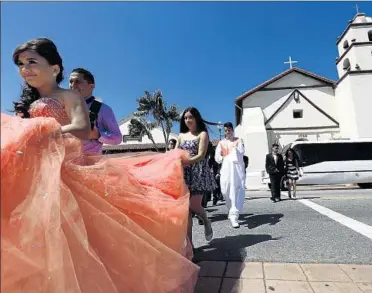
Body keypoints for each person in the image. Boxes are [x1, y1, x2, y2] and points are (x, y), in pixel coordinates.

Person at [3, 38, 198, 293]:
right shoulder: (27, 103)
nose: (24, 68)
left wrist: (47, 128)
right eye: (20, 64)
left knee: (85, 231)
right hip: (35, 174)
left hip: (72, 166)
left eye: (31, 62)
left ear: (54, 68)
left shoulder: (72, 98)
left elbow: (84, 130)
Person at [176, 107, 216, 247]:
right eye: (185, 118)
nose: (187, 120)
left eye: (190, 117)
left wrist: (186, 162)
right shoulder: (181, 136)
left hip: (198, 173)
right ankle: (190, 247)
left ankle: (206, 220)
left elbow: (201, 155)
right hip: (183, 174)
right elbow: (175, 153)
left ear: (196, 118)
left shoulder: (202, 134)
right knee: (186, 212)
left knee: (194, 206)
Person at [69, 68, 122, 154]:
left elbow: (117, 138)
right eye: (71, 81)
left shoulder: (103, 109)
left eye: (78, 81)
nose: (73, 85)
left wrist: (98, 135)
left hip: (91, 164)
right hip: (65, 163)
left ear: (91, 86)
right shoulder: (62, 107)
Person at [215, 122, 246, 228]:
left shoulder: (238, 140)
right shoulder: (221, 143)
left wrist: (236, 149)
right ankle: (230, 209)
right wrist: (222, 157)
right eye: (226, 130)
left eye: (229, 130)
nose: (228, 132)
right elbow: (217, 157)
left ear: (232, 130)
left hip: (236, 170)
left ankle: (234, 216)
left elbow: (241, 152)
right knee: (225, 190)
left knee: (235, 191)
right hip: (226, 169)